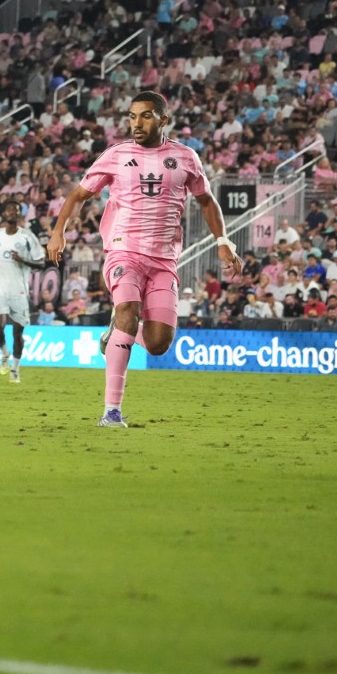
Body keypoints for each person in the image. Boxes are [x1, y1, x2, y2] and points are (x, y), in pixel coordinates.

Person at [47, 91, 239, 427]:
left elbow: (207, 201)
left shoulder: (185, 158)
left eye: (146, 116)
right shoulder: (116, 155)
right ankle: (111, 410)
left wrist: (223, 241)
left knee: (158, 345)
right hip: (124, 250)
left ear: (164, 119)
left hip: (164, 259)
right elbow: (79, 195)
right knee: (128, 310)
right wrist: (57, 231)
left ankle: (117, 332)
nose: (137, 123)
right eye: (132, 116)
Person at [0, 201, 44, 384]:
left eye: (16, 210)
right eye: (10, 209)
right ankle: (4, 354)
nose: (12, 212)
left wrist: (23, 260)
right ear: (4, 213)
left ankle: (15, 369)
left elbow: (41, 263)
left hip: (19, 290)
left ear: (20, 215)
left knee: (17, 333)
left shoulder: (27, 237)